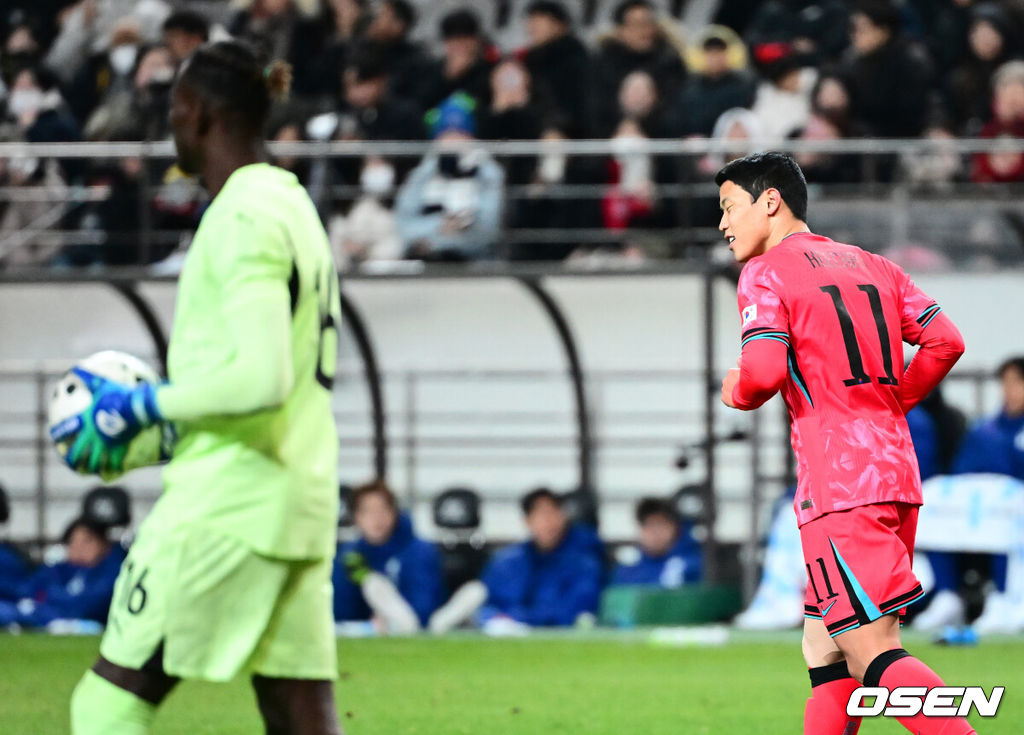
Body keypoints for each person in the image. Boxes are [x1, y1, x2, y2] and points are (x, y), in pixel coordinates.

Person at [53, 40, 344, 735]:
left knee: (104, 706)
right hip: (297, 500)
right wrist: (170, 432)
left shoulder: (240, 217)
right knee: (302, 721)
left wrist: (139, 407)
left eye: (174, 109)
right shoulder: (292, 204)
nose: (170, 126)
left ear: (200, 113)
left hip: (227, 506)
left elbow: (263, 377)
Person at [716, 152, 971, 735]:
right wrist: (892, 403)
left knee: (872, 650)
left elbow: (759, 372)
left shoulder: (766, 271)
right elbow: (945, 341)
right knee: (825, 651)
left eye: (730, 207)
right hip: (895, 471)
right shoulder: (874, 265)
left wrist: (733, 390)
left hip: (839, 482)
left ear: (771, 201)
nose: (724, 224)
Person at [915, 355, 1024, 633]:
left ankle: (1006, 596)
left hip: (1014, 510)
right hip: (987, 507)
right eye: (1006, 383)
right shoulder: (986, 430)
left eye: (1017, 382)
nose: (1010, 391)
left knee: (1005, 516)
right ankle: (948, 593)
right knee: (935, 505)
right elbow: (963, 468)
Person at [395, 92, 505, 260]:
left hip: (475, 263)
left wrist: (436, 242)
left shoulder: (489, 172)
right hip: (425, 260)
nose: (454, 142)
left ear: (471, 138)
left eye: (460, 134)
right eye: (447, 135)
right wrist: (440, 224)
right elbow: (403, 226)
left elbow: (487, 231)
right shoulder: (423, 172)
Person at [477, 488, 603, 630]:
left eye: (553, 513)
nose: (548, 522)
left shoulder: (583, 564)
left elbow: (573, 611)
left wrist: (519, 618)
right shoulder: (506, 563)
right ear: (527, 520)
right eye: (541, 515)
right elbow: (487, 607)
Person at [332, 481, 445, 633]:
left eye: (382, 509)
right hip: (367, 630)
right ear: (356, 517)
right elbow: (340, 612)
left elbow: (425, 608)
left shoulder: (419, 550)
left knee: (375, 584)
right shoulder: (350, 556)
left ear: (394, 513)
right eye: (367, 511)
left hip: (414, 627)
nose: (376, 518)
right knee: (371, 582)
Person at [0, 516, 126, 629]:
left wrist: (44, 602)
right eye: (73, 541)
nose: (79, 547)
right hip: (39, 618)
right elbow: (26, 591)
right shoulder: (57, 570)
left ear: (104, 544)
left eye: (87, 541)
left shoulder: (111, 573)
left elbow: (86, 606)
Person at [610, 497, 702, 587]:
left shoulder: (693, 565)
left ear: (676, 528)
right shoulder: (628, 568)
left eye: (661, 524)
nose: (655, 532)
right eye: (649, 525)